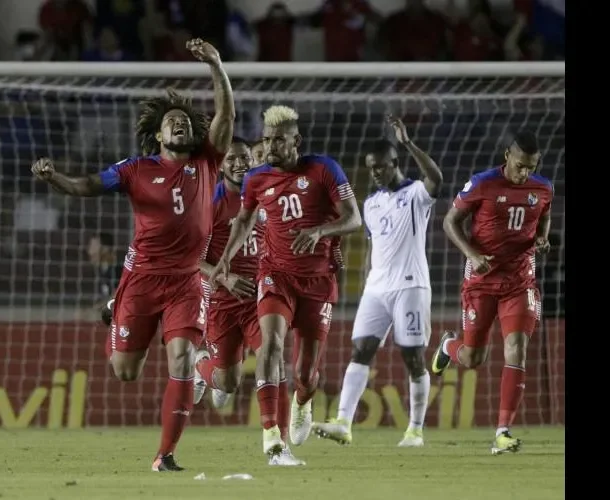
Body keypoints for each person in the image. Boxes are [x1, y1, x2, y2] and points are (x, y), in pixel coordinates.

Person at [31, 38, 234, 472]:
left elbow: (226, 115)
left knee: (180, 358)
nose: (179, 125)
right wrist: (55, 179)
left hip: (186, 280)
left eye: (184, 121)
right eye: (171, 123)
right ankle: (115, 307)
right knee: (125, 371)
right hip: (141, 278)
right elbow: (88, 186)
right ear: (158, 134)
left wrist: (216, 65)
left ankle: (165, 455)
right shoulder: (136, 169)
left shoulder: (207, 160)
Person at [208, 105, 362, 459]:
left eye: (279, 140)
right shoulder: (256, 178)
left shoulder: (324, 169)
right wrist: (227, 258)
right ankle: (271, 437)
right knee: (271, 347)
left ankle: (302, 401)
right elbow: (244, 221)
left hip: (318, 282)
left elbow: (354, 218)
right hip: (275, 276)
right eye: (267, 139)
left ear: (297, 141)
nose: (271, 146)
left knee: (305, 373)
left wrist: (322, 232)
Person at [311, 116, 443, 448]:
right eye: (371, 168)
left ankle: (415, 429)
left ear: (395, 163)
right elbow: (372, 246)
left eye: (381, 167)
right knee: (360, 349)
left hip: (411, 286)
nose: (376, 173)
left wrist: (409, 142)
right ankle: (343, 421)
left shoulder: (415, 194)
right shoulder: (371, 203)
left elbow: (436, 178)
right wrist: (368, 280)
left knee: (412, 356)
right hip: (377, 289)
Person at [430, 130, 553, 455]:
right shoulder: (483, 184)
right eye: (519, 165)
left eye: (530, 167)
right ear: (507, 157)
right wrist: (471, 254)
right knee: (473, 358)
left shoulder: (542, 189)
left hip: (520, 281)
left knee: (516, 348)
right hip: (482, 281)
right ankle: (448, 345)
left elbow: (544, 216)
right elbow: (450, 222)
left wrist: (542, 237)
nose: (524, 173)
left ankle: (502, 432)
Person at [193, 137, 304, 466]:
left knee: (275, 358)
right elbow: (191, 258)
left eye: (244, 158)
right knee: (227, 380)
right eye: (231, 159)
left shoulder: (264, 195)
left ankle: (277, 445)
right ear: (221, 165)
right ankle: (201, 367)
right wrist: (224, 277)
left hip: (261, 295)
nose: (239, 163)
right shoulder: (209, 204)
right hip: (223, 303)